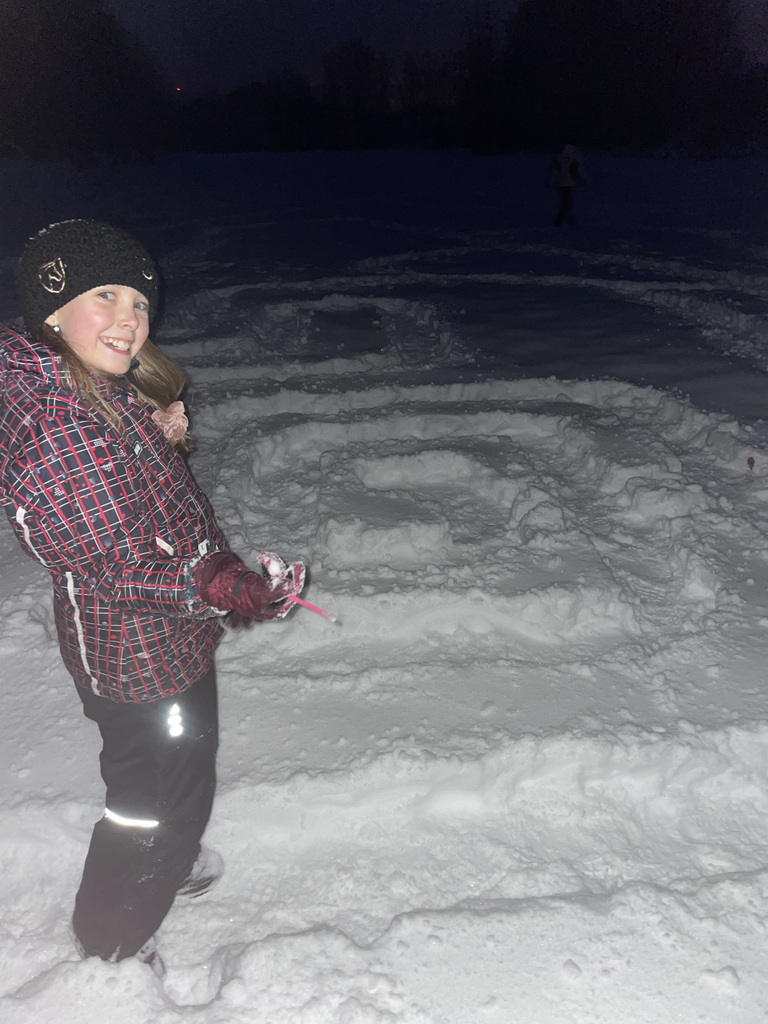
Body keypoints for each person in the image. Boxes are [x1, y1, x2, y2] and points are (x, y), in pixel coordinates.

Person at [0, 219, 307, 972]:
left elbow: (103, 498)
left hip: (152, 639)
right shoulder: (62, 430)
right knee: (159, 795)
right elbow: (114, 564)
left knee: (163, 774)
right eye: (104, 296)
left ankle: (164, 859)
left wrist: (150, 434)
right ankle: (114, 935)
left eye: (139, 301)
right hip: (139, 652)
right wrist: (223, 585)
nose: (130, 318)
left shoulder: (81, 387)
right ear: (52, 309)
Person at [548, 143, 586, 227]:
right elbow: (575, 170)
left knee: (566, 202)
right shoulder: (570, 158)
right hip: (567, 183)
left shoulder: (559, 157)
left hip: (563, 182)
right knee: (566, 202)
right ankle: (560, 221)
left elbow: (555, 170)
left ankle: (564, 220)